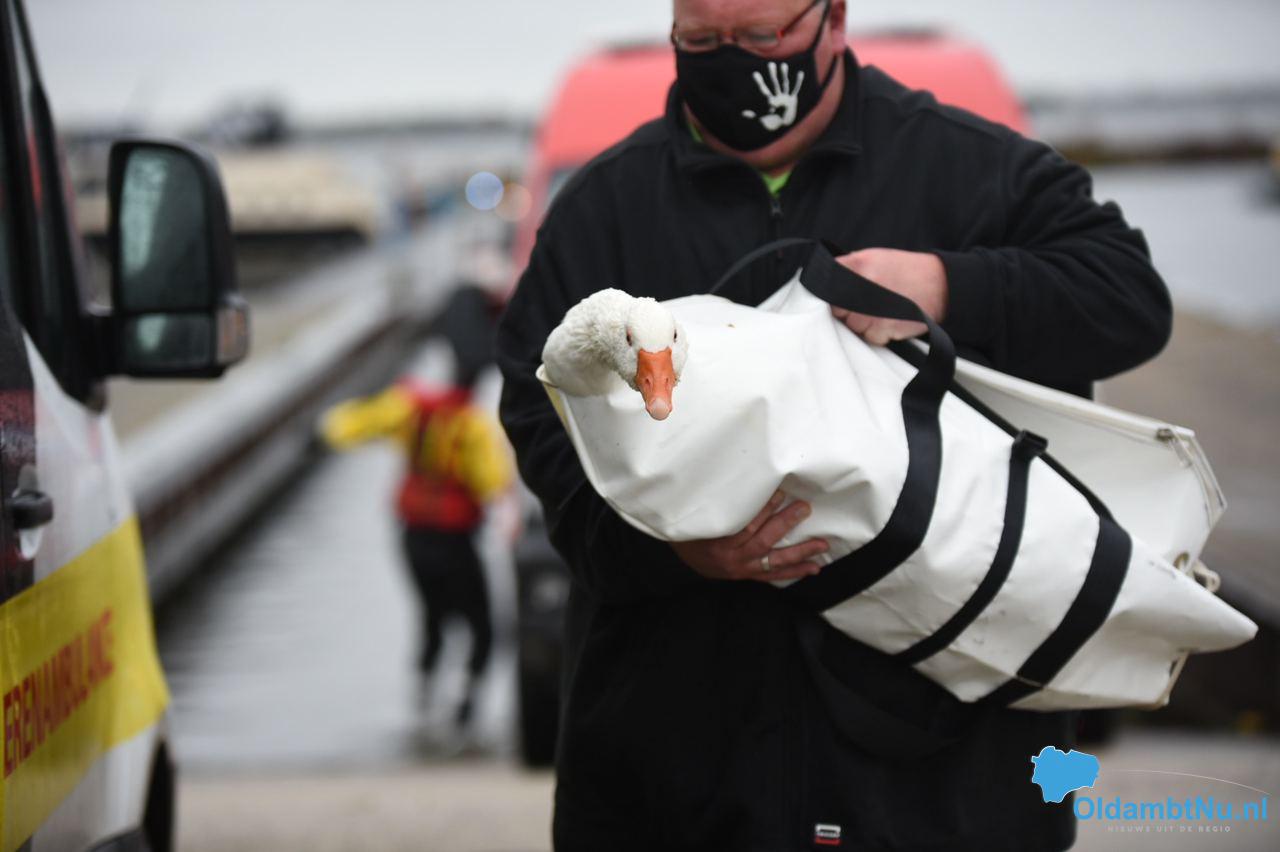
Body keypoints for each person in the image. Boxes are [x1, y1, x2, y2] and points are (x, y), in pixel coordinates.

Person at [494, 1, 1172, 849]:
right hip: (674, 760)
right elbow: (536, 402)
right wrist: (663, 549)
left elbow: (1129, 298)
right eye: (701, 41)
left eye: (763, 36)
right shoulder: (603, 207)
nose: (732, 61)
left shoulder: (972, 167)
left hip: (945, 777)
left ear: (835, 19)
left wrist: (948, 287)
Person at [318, 367, 513, 724]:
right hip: (456, 541)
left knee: (432, 618)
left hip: (414, 538)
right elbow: (492, 480)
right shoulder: (473, 424)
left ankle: (423, 701)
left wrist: (326, 431)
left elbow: (356, 424)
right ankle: (466, 702)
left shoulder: (409, 407)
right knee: (481, 626)